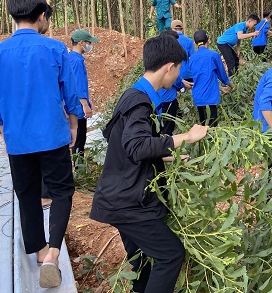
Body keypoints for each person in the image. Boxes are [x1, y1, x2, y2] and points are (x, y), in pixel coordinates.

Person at [90, 33, 209, 293]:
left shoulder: (134, 95)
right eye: (178, 70)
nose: (177, 77)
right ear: (169, 67)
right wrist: (186, 137)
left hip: (119, 196)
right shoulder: (140, 102)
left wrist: (167, 156)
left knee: (141, 261)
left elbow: (123, 144)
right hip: (127, 201)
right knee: (171, 255)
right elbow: (137, 145)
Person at [0, 0, 80, 289]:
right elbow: (70, 93)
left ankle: (40, 251)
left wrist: (3, 127)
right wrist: (73, 126)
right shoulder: (55, 48)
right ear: (42, 16)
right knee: (61, 191)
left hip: (18, 138)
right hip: (52, 134)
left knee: (27, 194)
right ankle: (53, 254)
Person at [189, 30, 233, 126]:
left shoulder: (192, 58)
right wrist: (232, 86)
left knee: (203, 124)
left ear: (195, 43)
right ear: (208, 40)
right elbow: (223, 76)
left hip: (198, 97)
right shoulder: (213, 55)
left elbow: (201, 78)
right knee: (212, 127)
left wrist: (219, 88)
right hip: (209, 97)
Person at [69, 29, 100, 159]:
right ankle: (78, 166)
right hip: (78, 108)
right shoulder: (76, 61)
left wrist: (88, 99)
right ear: (81, 43)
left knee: (77, 139)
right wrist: (84, 105)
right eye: (88, 42)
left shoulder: (72, 58)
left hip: (74, 106)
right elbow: (78, 85)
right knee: (79, 140)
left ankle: (77, 163)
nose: (89, 45)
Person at [158, 31, 192, 136]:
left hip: (158, 98)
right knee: (167, 129)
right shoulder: (169, 59)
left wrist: (183, 82)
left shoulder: (158, 55)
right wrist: (182, 86)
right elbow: (173, 78)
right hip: (167, 99)